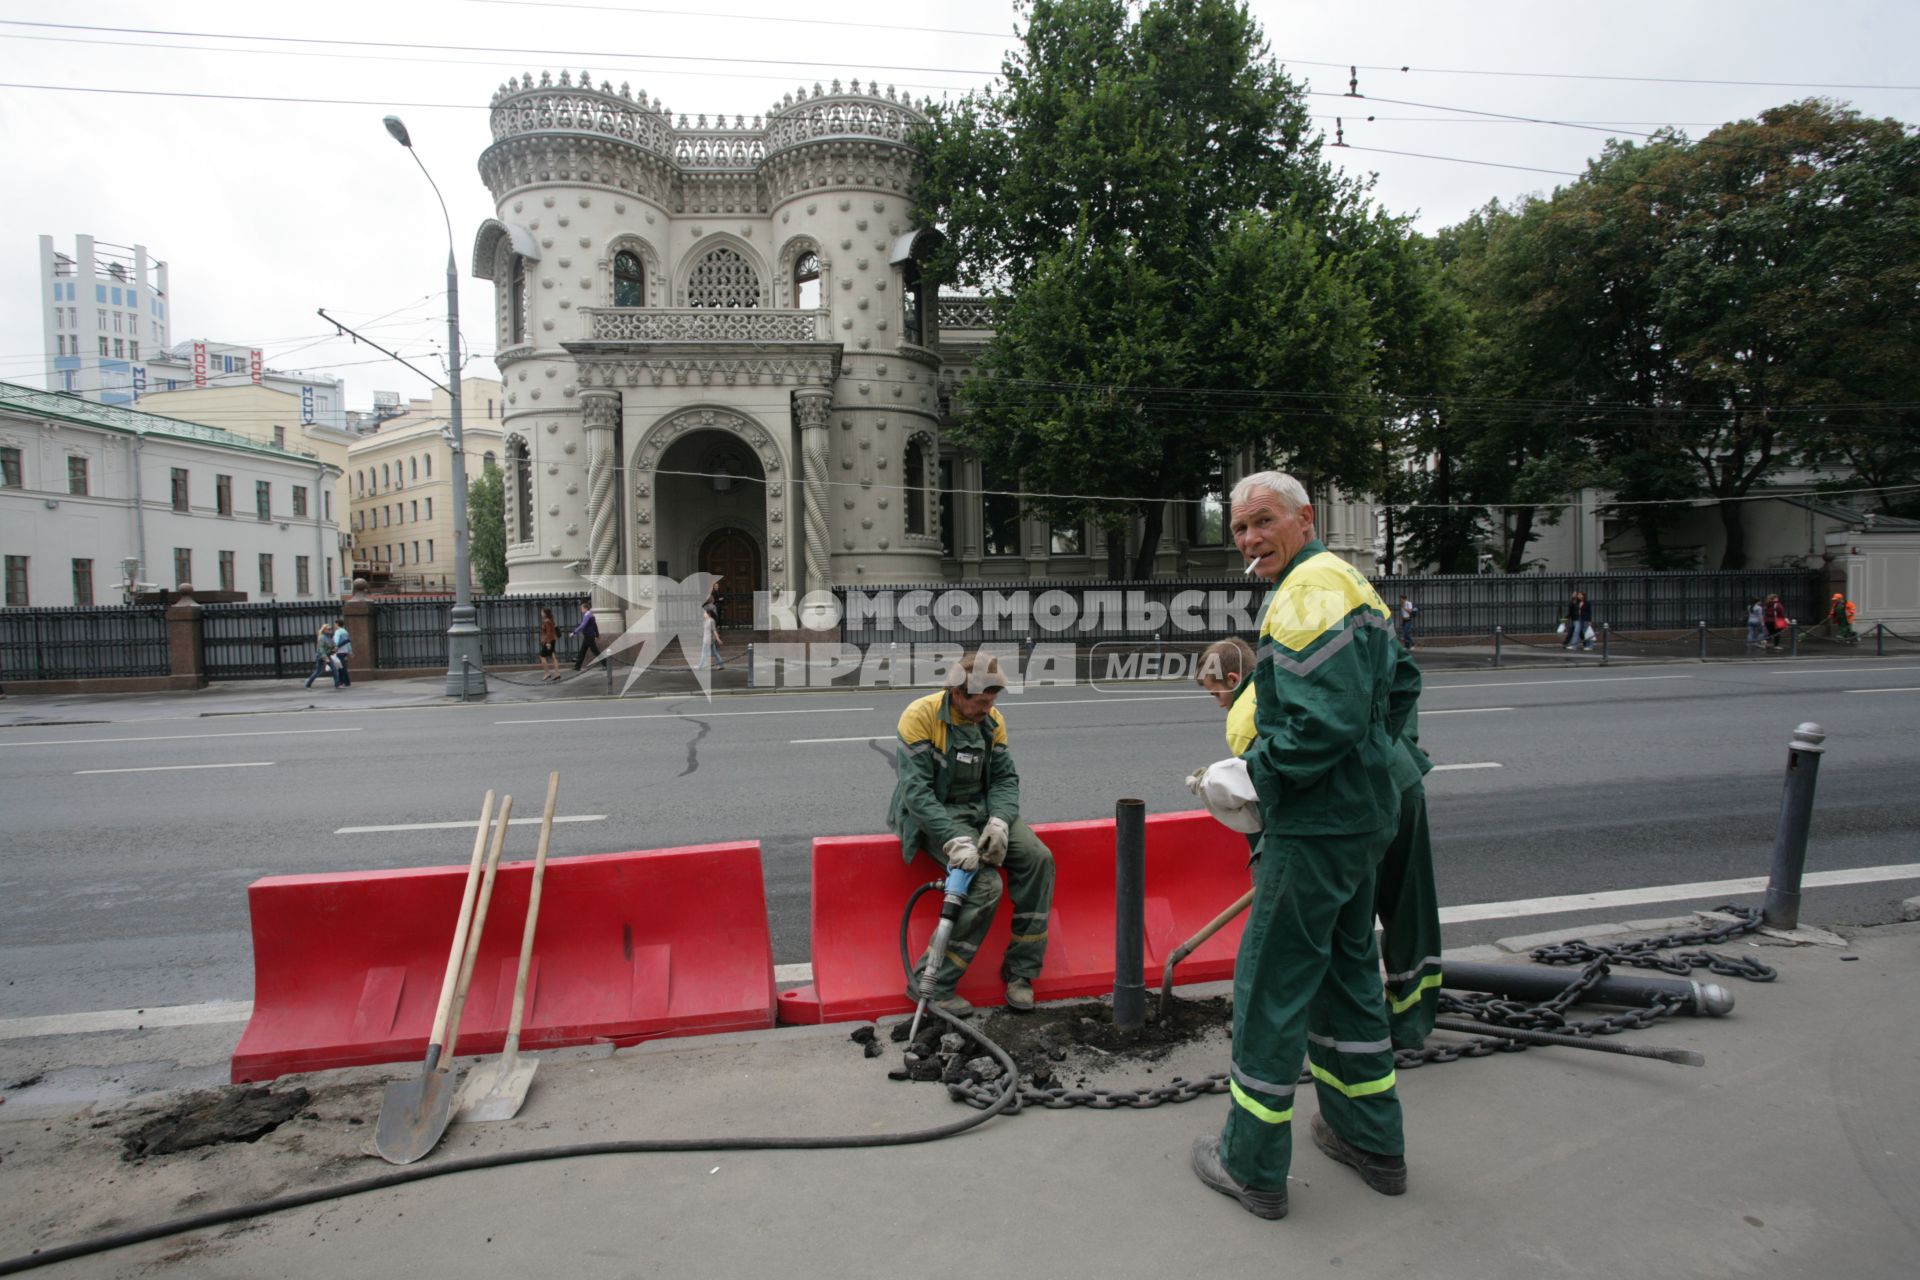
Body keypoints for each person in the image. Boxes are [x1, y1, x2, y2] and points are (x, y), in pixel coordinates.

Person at [1189, 470, 1417, 1222]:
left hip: (1315, 826)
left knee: (1270, 986)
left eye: (1262, 522)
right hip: (1361, 818)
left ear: (1304, 517)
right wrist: (1369, 766)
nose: (1251, 540)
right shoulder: (1355, 585)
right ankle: (1372, 1141)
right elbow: (1403, 688)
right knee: (1348, 974)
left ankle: (1249, 1164)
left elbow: (1321, 723)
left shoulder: (1308, 591)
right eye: (1241, 530)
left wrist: (1257, 778)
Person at [886, 652, 1054, 1018]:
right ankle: (932, 984)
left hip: (979, 811)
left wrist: (1000, 822)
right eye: (981, 702)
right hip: (934, 814)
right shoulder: (921, 717)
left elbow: (1005, 780)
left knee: (1039, 859)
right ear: (957, 693)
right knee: (983, 884)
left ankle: (1021, 972)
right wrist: (953, 839)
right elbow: (917, 794)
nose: (987, 710)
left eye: (992, 702)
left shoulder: (992, 721)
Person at [701, 580, 727, 670]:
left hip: (708, 634)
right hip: (709, 632)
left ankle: (701, 666)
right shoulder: (710, 607)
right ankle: (721, 664)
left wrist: (717, 637)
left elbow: (712, 627)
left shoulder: (708, 608)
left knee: (705, 651)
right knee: (714, 652)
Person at [571, 601, 602, 672]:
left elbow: (582, 625)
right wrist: (597, 634)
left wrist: (574, 632)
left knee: (595, 651)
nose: (581, 610)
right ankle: (577, 666)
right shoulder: (590, 615)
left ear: (585, 608)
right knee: (582, 651)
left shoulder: (588, 616)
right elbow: (595, 626)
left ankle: (606, 664)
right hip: (588, 636)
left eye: (581, 608)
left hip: (589, 637)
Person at [304, 623, 336, 690]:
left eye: (330, 629)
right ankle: (307, 684)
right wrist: (325, 657)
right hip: (321, 656)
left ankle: (337, 684)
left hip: (327, 655)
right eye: (328, 629)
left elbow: (333, 645)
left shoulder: (329, 637)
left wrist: (335, 648)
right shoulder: (322, 637)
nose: (330, 630)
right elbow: (321, 648)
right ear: (324, 630)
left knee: (334, 669)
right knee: (318, 671)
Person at [537, 607, 561, 681]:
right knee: (553, 656)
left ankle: (547, 673)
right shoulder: (551, 620)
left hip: (549, 641)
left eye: (542, 612)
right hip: (552, 640)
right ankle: (557, 674)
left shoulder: (547, 621)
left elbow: (549, 632)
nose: (541, 613)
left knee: (542, 656)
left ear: (545, 613)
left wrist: (548, 643)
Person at [330, 619, 353, 687]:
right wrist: (350, 651)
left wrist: (335, 648)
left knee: (341, 667)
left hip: (339, 651)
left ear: (337, 624)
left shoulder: (338, 631)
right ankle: (342, 681)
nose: (334, 625)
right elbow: (348, 642)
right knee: (341, 666)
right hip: (344, 651)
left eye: (335, 624)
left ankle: (346, 682)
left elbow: (336, 641)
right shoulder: (345, 631)